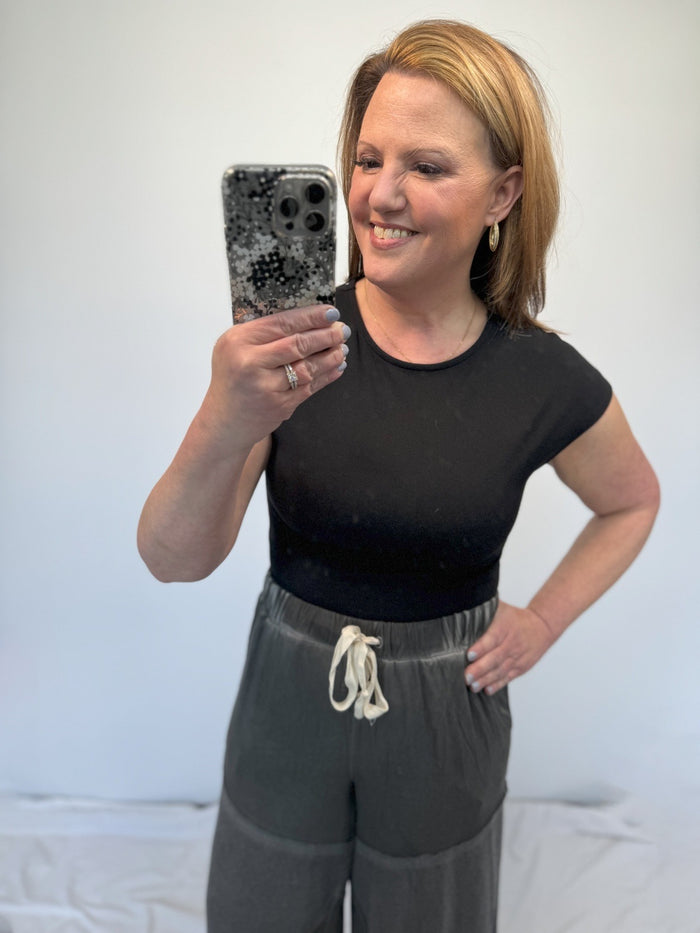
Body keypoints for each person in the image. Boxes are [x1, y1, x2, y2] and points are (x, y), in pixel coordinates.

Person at [137, 19, 660, 933]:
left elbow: (632, 501)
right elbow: (171, 558)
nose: (380, 194)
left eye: (427, 166)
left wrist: (542, 620)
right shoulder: (291, 350)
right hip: (286, 698)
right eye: (368, 158)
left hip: (446, 716)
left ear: (503, 193)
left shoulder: (542, 378)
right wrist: (227, 413)